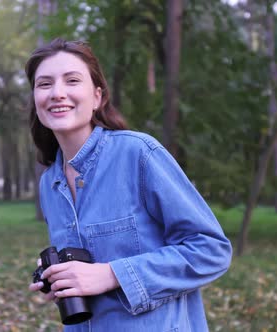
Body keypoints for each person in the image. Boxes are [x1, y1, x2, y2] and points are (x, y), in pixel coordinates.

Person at [26, 38, 232, 332]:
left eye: (72, 80)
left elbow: (212, 250)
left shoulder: (138, 154)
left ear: (97, 97)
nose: (57, 93)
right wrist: (58, 280)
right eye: (44, 84)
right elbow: (85, 269)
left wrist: (112, 274)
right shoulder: (50, 182)